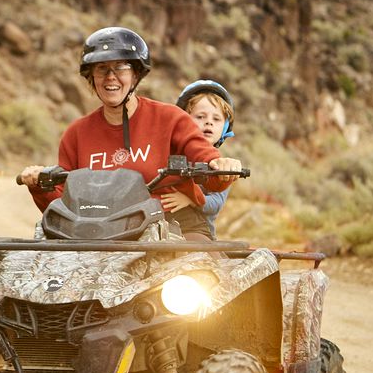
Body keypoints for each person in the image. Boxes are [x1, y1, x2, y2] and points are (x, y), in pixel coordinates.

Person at [18, 27, 243, 237]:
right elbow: (62, 207)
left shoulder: (170, 118)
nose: (110, 77)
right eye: (101, 69)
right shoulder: (76, 133)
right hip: (98, 234)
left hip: (174, 228)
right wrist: (39, 186)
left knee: (204, 270)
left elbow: (207, 163)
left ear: (136, 75)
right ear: (91, 78)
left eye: (121, 67)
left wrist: (221, 167)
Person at [160, 80, 236, 240]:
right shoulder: (172, 156)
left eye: (216, 119)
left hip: (201, 231)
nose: (208, 122)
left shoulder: (221, 164)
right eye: (200, 117)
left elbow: (216, 203)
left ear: (224, 128)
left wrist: (190, 199)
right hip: (164, 227)